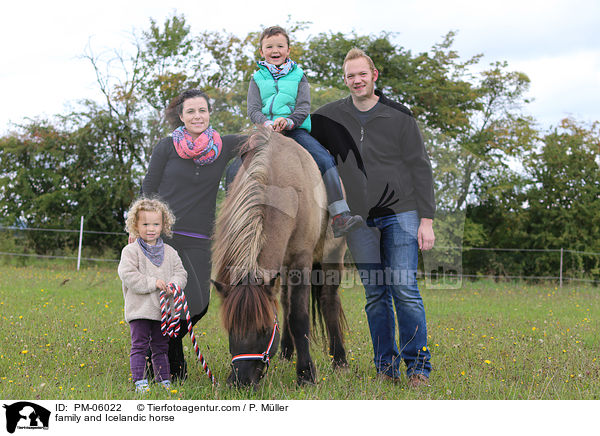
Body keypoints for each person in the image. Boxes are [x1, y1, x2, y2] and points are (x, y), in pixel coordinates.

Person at [310, 48, 436, 388]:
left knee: (404, 289)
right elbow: (300, 131)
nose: (356, 80)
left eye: (361, 74)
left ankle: (419, 369)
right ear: (345, 79)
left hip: (402, 214)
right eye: (350, 76)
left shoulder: (399, 115)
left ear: (374, 75)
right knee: (375, 294)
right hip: (358, 220)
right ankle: (386, 368)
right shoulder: (330, 117)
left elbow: (420, 167)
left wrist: (427, 220)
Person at [141, 89, 244, 380]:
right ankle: (168, 362)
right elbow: (148, 189)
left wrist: (279, 123)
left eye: (202, 110)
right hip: (164, 238)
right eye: (191, 112)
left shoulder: (223, 146)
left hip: (200, 238)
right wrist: (140, 230)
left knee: (199, 303)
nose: (197, 116)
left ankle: (165, 347)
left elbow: (259, 139)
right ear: (181, 116)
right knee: (168, 300)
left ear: (209, 112)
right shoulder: (166, 147)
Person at [247, 25, 362, 237]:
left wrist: (288, 121)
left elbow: (303, 107)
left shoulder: (299, 76)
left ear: (288, 50)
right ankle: (237, 220)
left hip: (294, 130)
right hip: (266, 132)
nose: (275, 50)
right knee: (237, 166)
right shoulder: (256, 79)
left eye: (280, 46)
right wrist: (267, 123)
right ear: (262, 52)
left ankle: (339, 215)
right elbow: (253, 110)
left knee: (324, 159)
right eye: (269, 46)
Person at [118, 197, 187, 392]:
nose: (151, 228)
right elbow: (128, 275)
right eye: (145, 224)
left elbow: (181, 273)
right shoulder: (130, 252)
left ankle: (163, 380)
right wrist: (153, 283)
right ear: (135, 225)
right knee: (139, 345)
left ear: (163, 225)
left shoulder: (170, 252)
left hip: (162, 311)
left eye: (156, 224)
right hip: (140, 310)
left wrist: (174, 285)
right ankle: (140, 381)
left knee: (161, 346)